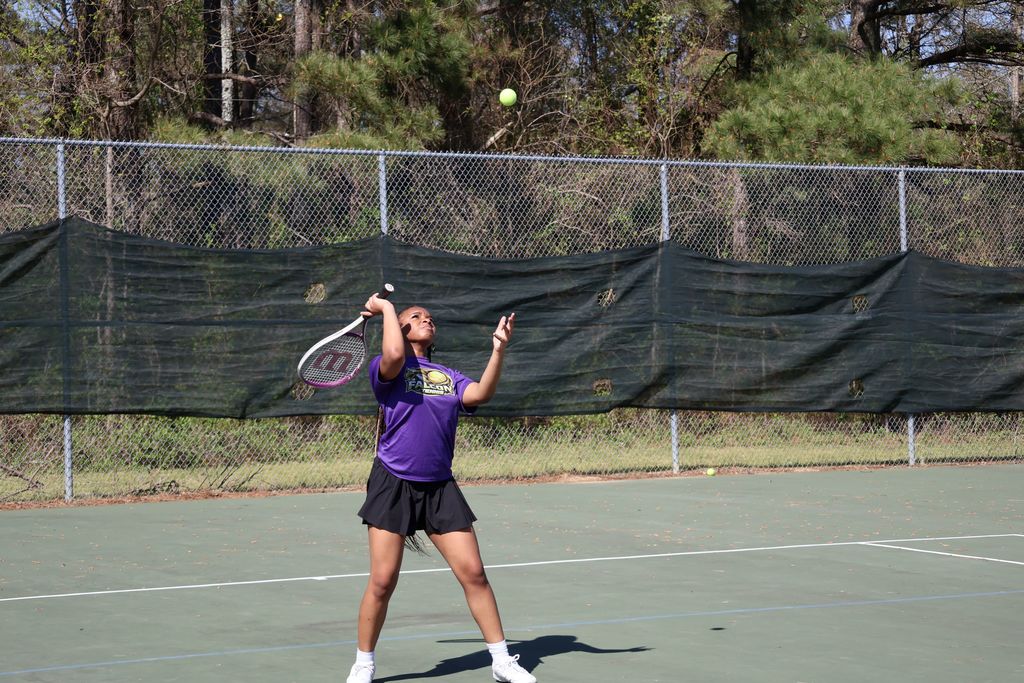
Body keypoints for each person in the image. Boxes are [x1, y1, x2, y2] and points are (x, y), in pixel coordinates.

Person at [346, 293, 535, 683]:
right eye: (417, 316)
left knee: (474, 573)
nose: (427, 320)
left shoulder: (448, 377)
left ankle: (501, 661)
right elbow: (396, 356)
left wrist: (498, 350)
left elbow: (480, 394)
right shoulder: (386, 368)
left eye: (431, 317)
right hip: (393, 482)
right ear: (400, 328)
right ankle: (364, 663)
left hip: (439, 486)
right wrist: (385, 310)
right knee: (382, 581)